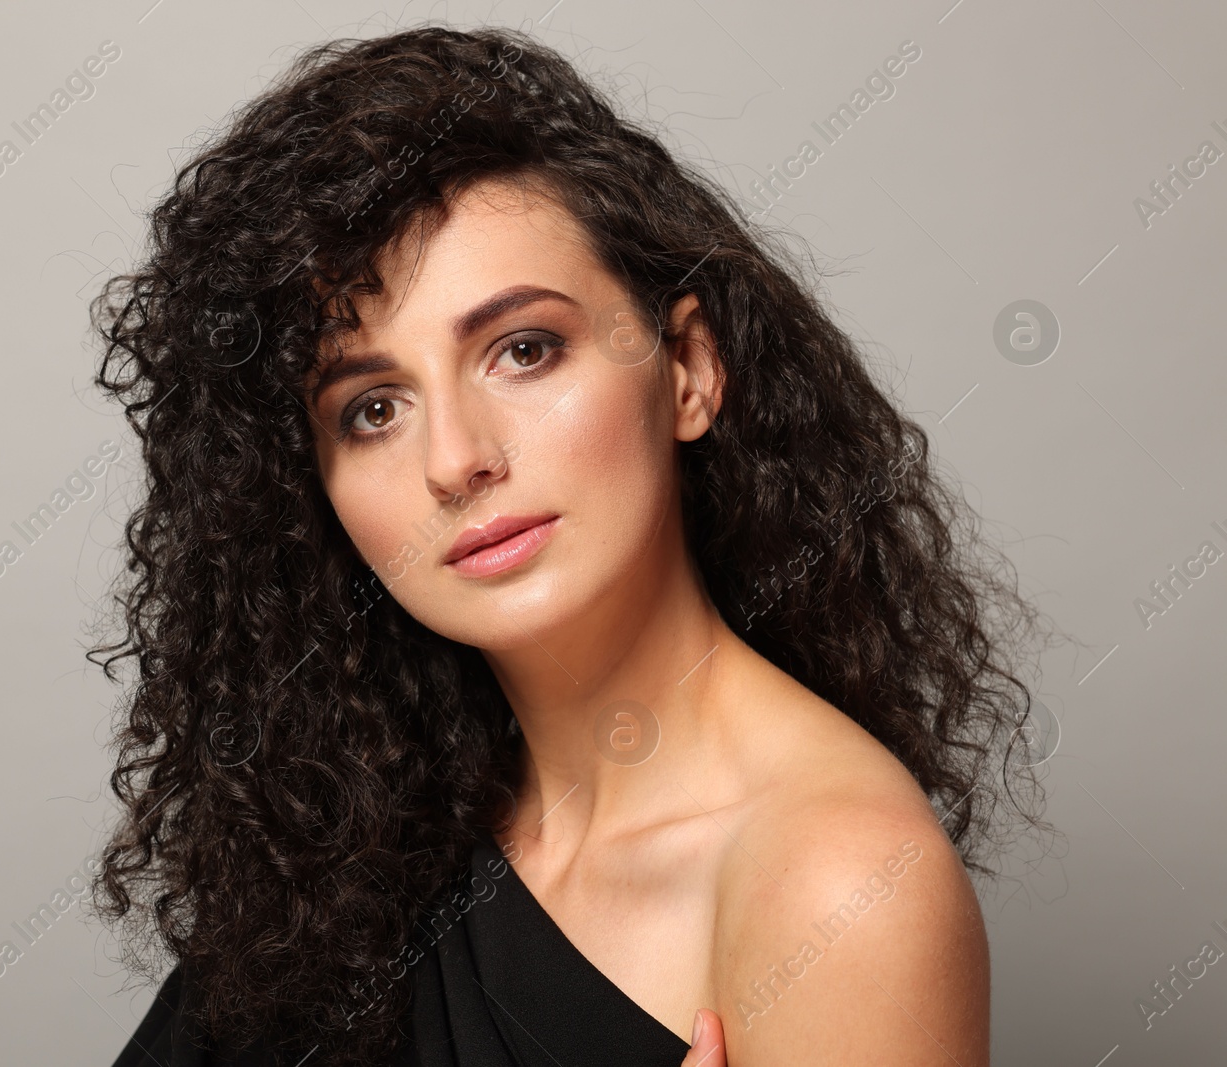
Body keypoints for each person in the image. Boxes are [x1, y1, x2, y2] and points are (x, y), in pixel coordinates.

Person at [86, 22, 1051, 1067]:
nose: (456, 459)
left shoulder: (842, 886)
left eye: (523, 349)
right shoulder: (354, 843)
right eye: (372, 408)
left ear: (685, 367)